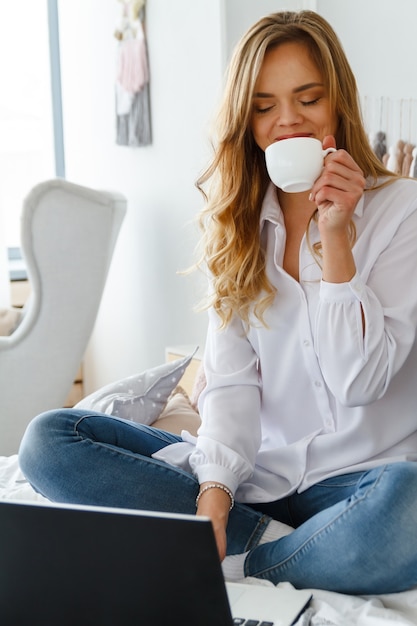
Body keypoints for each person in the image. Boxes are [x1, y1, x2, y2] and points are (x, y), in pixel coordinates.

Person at [19, 10, 417, 595]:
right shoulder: (238, 229)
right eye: (264, 106)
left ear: (339, 104)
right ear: (246, 121)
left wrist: (336, 238)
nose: (287, 122)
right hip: (261, 477)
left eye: (308, 98)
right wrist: (214, 503)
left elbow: (359, 384)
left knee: (408, 511)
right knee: (50, 443)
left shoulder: (401, 211)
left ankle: (253, 565)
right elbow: (230, 391)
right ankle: (275, 540)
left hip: (363, 484)